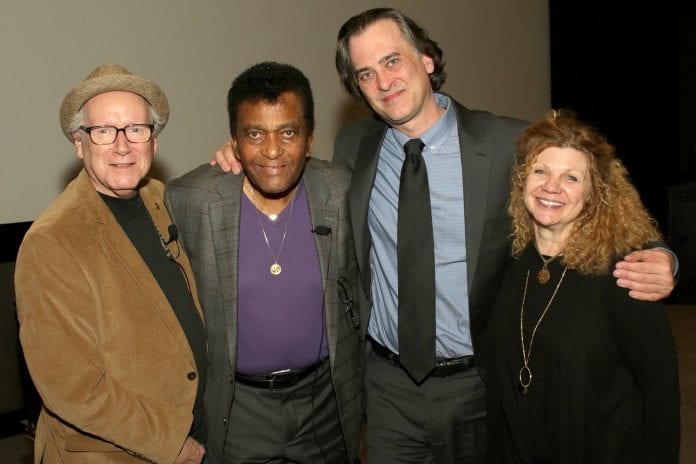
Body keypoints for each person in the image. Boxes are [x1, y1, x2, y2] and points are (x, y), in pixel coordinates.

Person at [212, 8, 676, 463]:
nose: (384, 81)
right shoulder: (354, 146)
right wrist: (238, 157)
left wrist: (658, 254)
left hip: (478, 382)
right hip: (387, 385)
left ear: (426, 59)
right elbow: (286, 167)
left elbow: (591, 191)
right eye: (366, 73)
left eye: (392, 61)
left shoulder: (503, 143)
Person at [164, 62, 363, 464]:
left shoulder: (342, 192)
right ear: (234, 143)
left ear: (309, 140)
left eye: (287, 132)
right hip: (237, 409)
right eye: (255, 134)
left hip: (322, 405)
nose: (272, 150)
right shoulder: (190, 200)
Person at [15, 64, 207, 463]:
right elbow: (75, 389)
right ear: (79, 143)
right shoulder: (51, 241)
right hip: (119, 451)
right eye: (103, 131)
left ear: (154, 142)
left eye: (136, 129)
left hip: (198, 426)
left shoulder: (162, 199)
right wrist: (171, 441)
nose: (123, 146)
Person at [484, 109, 680, 462]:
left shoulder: (626, 273)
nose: (551, 187)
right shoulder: (511, 261)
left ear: (594, 193)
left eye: (571, 178)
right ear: (521, 181)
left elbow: (660, 392)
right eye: (540, 171)